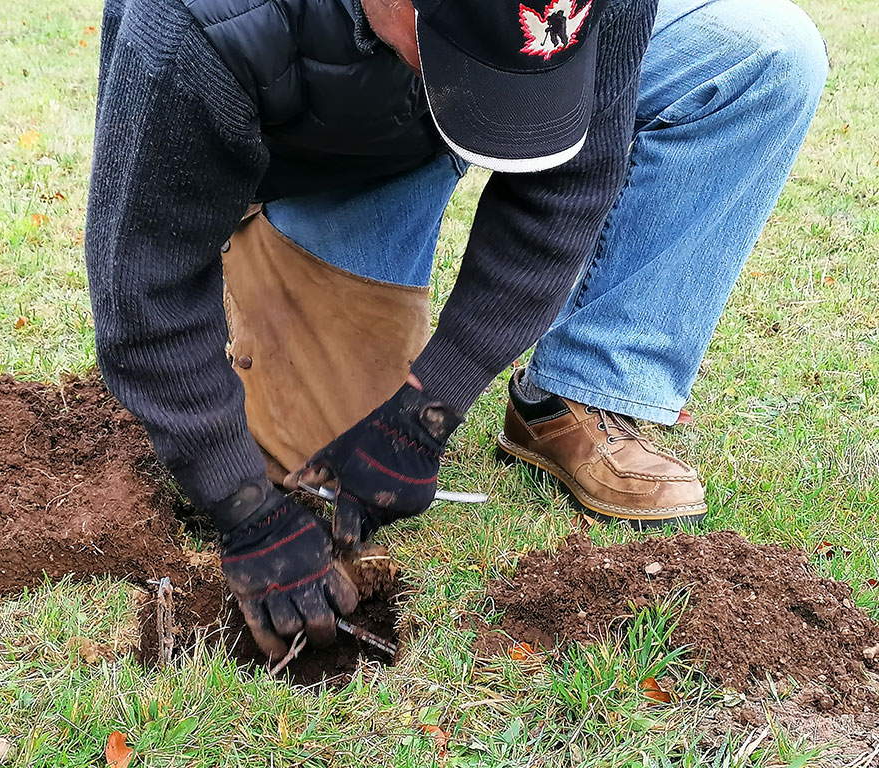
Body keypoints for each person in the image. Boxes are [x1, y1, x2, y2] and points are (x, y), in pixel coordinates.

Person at [85, 0, 826, 659]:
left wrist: (427, 408)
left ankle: (581, 388)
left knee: (766, 52)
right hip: (318, 140)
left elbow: (568, 184)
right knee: (313, 452)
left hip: (410, 86)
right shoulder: (193, 21)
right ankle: (262, 238)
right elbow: (144, 292)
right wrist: (240, 506)